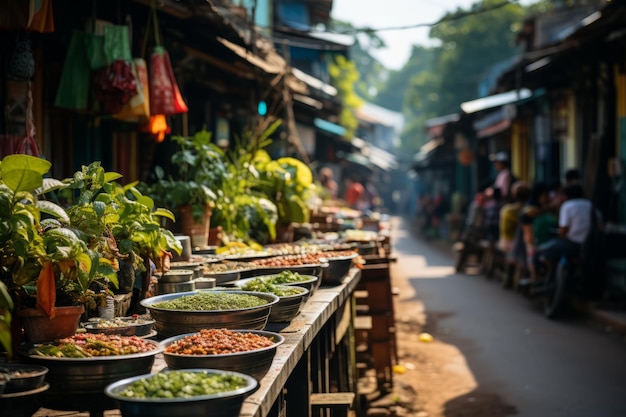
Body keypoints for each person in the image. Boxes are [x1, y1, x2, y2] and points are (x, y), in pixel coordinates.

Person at [534, 183, 601, 275]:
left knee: (541, 251)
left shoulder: (567, 206)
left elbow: (563, 231)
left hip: (572, 244)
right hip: (592, 244)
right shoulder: (590, 204)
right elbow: (600, 225)